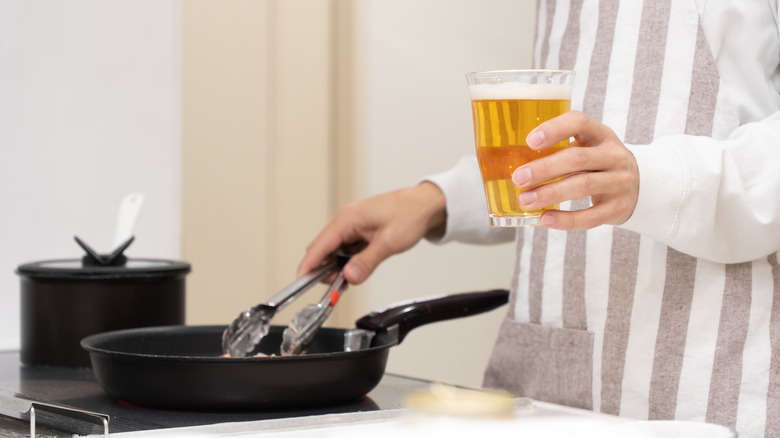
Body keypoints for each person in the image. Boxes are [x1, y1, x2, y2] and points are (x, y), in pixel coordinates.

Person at [298, 2, 780, 437]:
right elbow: (558, 143)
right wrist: (436, 200)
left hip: (709, 365)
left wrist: (648, 178)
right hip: (553, 369)